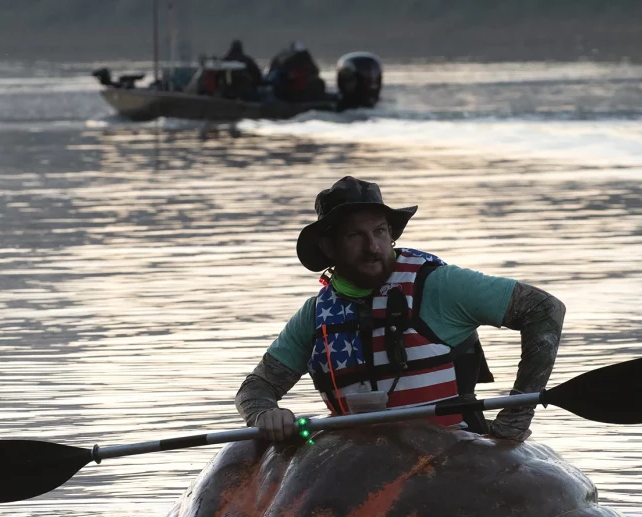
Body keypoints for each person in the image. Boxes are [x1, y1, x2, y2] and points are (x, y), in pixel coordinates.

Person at [236, 176, 567, 443]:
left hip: (454, 454)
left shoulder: (438, 285)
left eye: (380, 231)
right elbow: (255, 389)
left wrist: (518, 412)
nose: (373, 247)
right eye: (355, 236)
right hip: (356, 464)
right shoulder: (314, 316)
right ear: (328, 247)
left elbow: (544, 309)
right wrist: (265, 413)